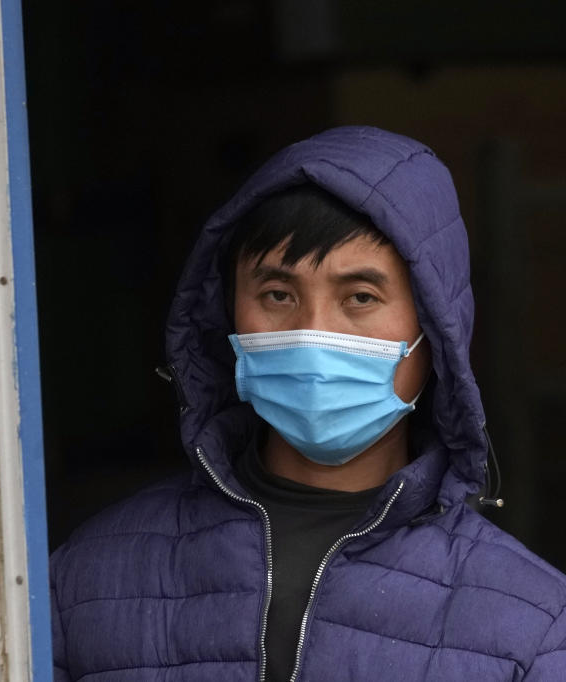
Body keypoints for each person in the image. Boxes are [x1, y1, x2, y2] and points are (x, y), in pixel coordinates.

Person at [49, 126, 566, 681]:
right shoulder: (88, 583)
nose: (311, 335)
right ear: (229, 317)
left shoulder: (530, 627)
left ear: (435, 330)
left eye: (360, 298)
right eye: (278, 295)